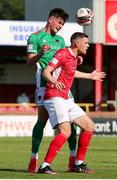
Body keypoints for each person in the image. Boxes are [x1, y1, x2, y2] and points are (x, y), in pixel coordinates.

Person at [38, 32, 106, 174]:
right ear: (77, 43)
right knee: (66, 132)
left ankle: (78, 164)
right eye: (86, 43)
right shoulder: (62, 53)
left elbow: (72, 73)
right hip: (54, 96)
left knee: (89, 126)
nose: (88, 45)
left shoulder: (74, 58)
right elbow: (46, 72)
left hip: (65, 98)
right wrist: (55, 82)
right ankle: (44, 166)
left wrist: (90, 76)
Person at [27, 8, 78, 173]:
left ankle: (73, 160)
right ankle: (33, 158)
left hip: (63, 87)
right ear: (51, 19)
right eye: (59, 21)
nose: (60, 25)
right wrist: (40, 53)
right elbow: (29, 62)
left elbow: (66, 61)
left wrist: (77, 59)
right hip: (44, 84)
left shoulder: (61, 41)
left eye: (63, 23)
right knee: (41, 121)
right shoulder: (35, 37)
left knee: (73, 121)